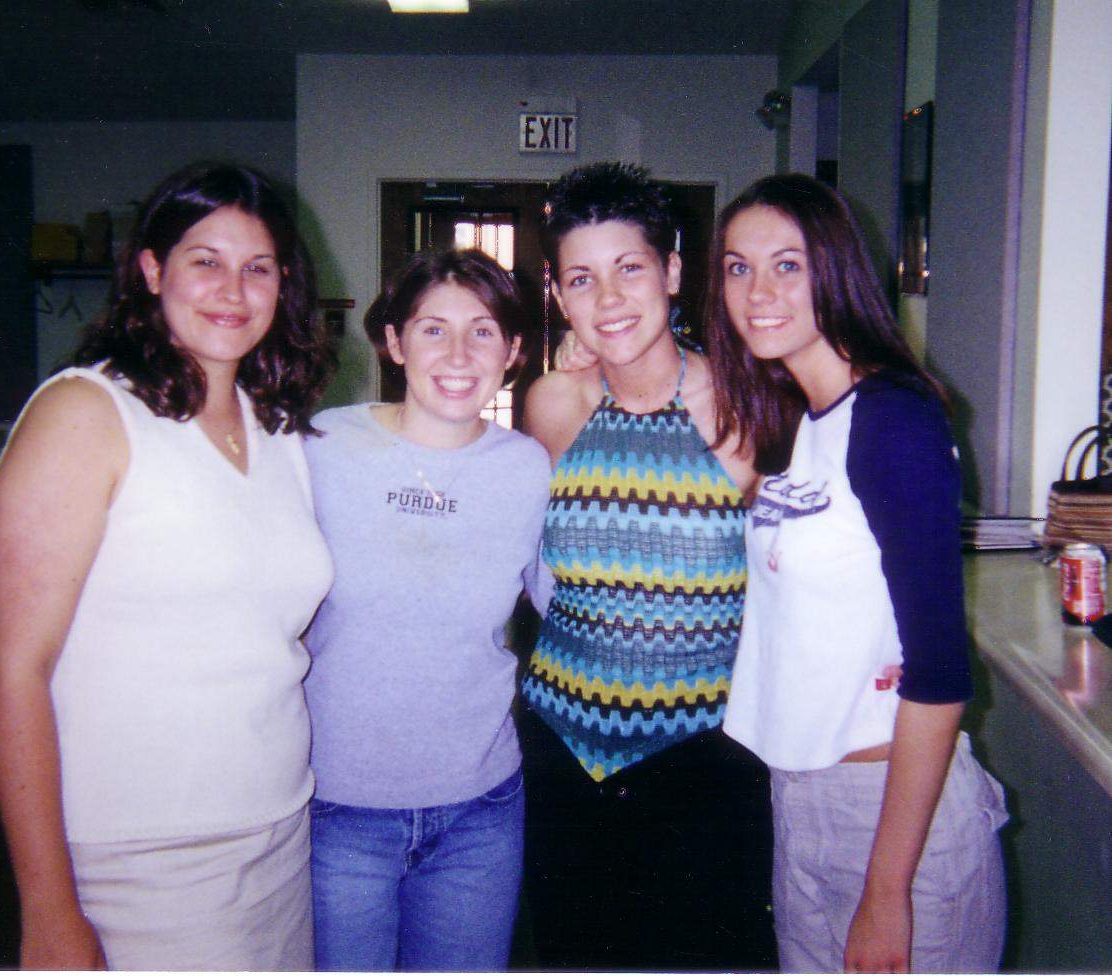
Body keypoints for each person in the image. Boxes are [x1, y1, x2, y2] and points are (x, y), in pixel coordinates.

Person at [0, 162, 334, 970]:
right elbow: (14, 671)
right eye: (204, 260)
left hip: (280, 837)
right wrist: (48, 911)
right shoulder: (85, 412)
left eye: (259, 268)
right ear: (151, 269)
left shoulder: (277, 427)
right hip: (139, 861)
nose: (232, 291)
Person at [710, 173, 1008, 973]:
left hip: (893, 821)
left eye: (787, 265)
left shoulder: (894, 420)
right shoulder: (802, 420)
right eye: (738, 267)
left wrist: (887, 892)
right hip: (800, 798)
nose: (757, 291)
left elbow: (941, 673)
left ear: (835, 271)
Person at [518, 161, 778, 970]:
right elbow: (526, 570)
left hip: (702, 763)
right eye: (582, 279)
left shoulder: (749, 407)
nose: (610, 300)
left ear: (670, 271)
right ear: (558, 295)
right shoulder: (553, 405)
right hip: (561, 751)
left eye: (630, 268)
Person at [302, 249, 552, 971]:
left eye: (483, 332)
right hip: (337, 811)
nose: (458, 353)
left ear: (513, 350)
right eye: (432, 329)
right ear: (393, 341)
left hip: (481, 812)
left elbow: (569, 603)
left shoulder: (528, 468)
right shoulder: (322, 447)